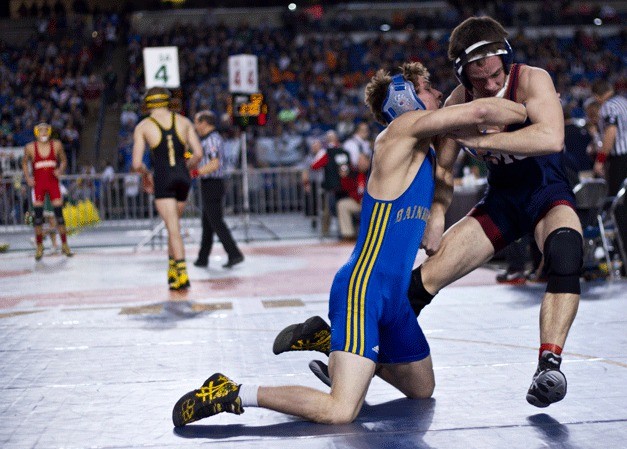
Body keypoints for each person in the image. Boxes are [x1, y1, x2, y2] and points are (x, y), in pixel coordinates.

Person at [171, 61, 528, 426]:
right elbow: (480, 108)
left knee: (422, 388)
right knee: (341, 410)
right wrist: (536, 108)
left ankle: (331, 343)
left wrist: (437, 213)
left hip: (395, 297)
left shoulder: (426, 146)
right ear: (405, 99)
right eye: (426, 88)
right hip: (363, 289)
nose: (437, 93)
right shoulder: (400, 131)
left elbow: (458, 101)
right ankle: (231, 391)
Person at [276, 16, 582, 410]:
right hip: (503, 203)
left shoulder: (531, 79)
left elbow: (551, 137)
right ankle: (350, 349)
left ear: (504, 59)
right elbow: (443, 169)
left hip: (546, 193)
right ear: (463, 74)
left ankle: (549, 365)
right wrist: (438, 211)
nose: (490, 84)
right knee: (419, 285)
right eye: (479, 78)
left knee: (566, 254)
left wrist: (484, 142)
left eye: (494, 74)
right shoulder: (457, 103)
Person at [132, 87, 202, 290]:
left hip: (163, 177)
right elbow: (198, 153)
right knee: (174, 227)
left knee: (173, 227)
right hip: (182, 176)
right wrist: (184, 169)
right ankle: (172, 270)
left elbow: (137, 163)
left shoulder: (144, 126)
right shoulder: (184, 122)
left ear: (148, 104)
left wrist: (146, 175)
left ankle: (182, 273)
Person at [191, 110, 244, 269]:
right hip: (210, 183)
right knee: (208, 222)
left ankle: (234, 253)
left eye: (197, 122)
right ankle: (202, 258)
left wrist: (196, 172)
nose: (195, 126)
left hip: (212, 182)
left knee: (216, 222)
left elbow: (215, 163)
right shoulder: (208, 139)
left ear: (204, 123)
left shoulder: (212, 139)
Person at [22, 122, 73, 260]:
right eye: (41, 131)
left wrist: (61, 169)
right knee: (38, 219)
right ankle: (39, 247)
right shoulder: (30, 147)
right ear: (37, 132)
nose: (43, 133)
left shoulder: (56, 145)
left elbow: (64, 160)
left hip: (53, 183)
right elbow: (24, 162)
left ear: (49, 132)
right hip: (39, 185)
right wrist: (27, 178)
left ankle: (64, 245)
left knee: (59, 216)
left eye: (46, 131)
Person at [591, 79, 627, 265]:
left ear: (597, 97)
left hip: (621, 162)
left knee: (619, 209)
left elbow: (611, 133)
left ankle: (626, 258)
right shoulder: (624, 102)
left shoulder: (608, 107)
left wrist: (600, 160)